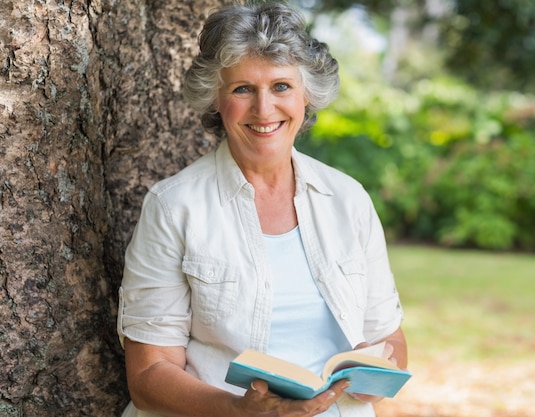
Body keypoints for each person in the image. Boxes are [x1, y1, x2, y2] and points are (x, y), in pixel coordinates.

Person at [116, 2, 407, 416]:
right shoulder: (174, 206)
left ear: (307, 95)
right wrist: (241, 410)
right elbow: (148, 376)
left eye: (281, 86)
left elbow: (391, 339)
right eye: (242, 89)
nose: (264, 109)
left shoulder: (349, 199)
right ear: (216, 99)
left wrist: (373, 368)